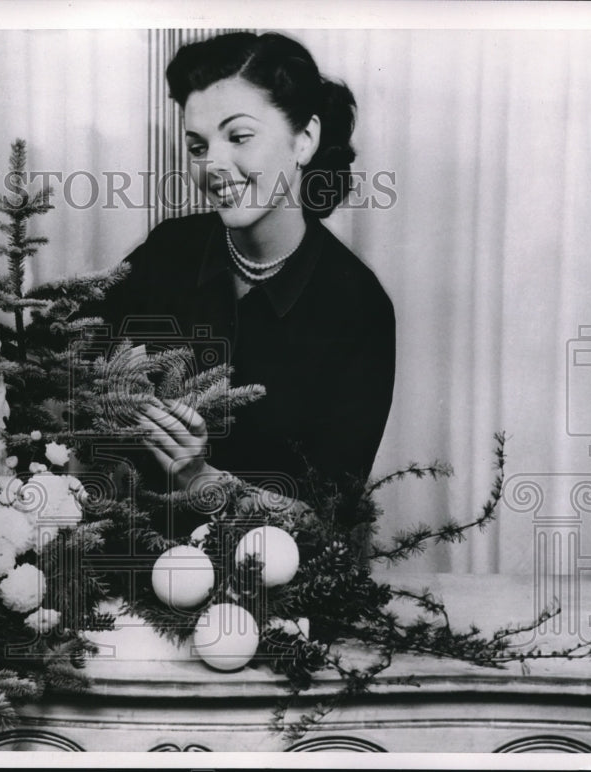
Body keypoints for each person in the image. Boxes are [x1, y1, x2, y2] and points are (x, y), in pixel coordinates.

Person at [92, 31, 395, 513]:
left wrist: (199, 476)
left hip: (270, 580)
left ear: (305, 140)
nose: (213, 165)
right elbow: (74, 375)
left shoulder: (357, 305)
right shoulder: (168, 250)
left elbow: (328, 515)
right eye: (197, 146)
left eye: (239, 137)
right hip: (130, 560)